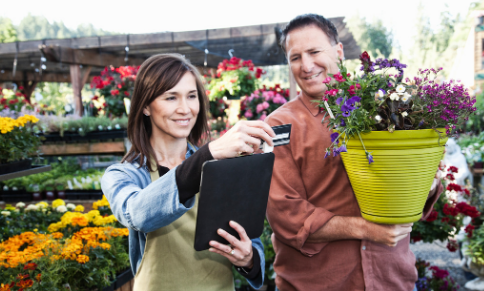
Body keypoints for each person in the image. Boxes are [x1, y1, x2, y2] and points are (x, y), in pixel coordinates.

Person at [264, 14, 444, 291]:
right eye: (295, 57)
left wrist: (425, 183)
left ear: (338, 51)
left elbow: (416, 192)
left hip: (391, 279)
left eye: (314, 52)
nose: (306, 65)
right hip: (318, 283)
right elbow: (285, 215)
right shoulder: (278, 127)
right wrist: (365, 229)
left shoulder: (384, 106)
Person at [101, 53, 276, 290]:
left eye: (191, 96)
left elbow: (251, 245)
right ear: (144, 106)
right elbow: (138, 214)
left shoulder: (223, 167)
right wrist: (208, 154)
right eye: (171, 97)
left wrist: (248, 259)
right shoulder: (124, 175)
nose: (185, 109)